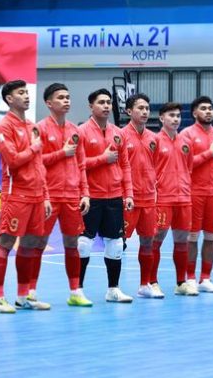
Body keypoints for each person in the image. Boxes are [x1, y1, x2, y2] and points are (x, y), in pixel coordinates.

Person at [0, 80, 53, 313]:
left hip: (37, 196)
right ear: (9, 98)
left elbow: (40, 167)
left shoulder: (32, 126)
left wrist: (45, 196)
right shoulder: (3, 127)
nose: (26, 96)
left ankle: (23, 296)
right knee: (5, 244)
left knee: (29, 245)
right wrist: (35, 147)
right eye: (21, 93)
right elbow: (14, 161)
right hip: (15, 195)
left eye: (27, 92)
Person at [36, 83, 93, 307]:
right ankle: (29, 291)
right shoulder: (39, 129)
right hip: (49, 196)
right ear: (49, 103)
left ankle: (75, 291)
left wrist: (85, 194)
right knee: (38, 244)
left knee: (73, 244)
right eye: (61, 97)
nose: (67, 101)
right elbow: (36, 163)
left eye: (68, 97)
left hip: (71, 197)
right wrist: (61, 153)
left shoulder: (75, 130)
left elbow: (81, 165)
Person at [78, 88, 134, 303]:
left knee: (116, 244)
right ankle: (78, 290)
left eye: (109, 102)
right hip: (91, 197)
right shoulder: (81, 132)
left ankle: (113, 289)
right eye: (101, 102)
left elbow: (125, 165)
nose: (106, 106)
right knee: (84, 243)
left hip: (114, 197)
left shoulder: (118, 133)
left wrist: (128, 193)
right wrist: (102, 158)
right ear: (91, 106)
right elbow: (78, 165)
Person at [181, 96, 213, 293]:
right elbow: (185, 165)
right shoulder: (186, 135)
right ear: (195, 113)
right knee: (192, 237)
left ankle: (205, 278)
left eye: (210, 108)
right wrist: (209, 154)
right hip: (194, 193)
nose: (208, 112)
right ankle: (191, 277)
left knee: (212, 238)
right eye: (203, 108)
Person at [121, 93, 162, 299]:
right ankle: (114, 287)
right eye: (140, 108)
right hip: (127, 200)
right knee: (119, 243)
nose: (145, 112)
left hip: (149, 200)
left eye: (147, 108)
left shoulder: (154, 139)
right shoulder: (120, 136)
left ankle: (145, 284)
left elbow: (155, 167)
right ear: (129, 111)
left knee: (148, 242)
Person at [154, 103, 195, 295]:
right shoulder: (154, 141)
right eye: (171, 115)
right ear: (162, 118)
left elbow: (189, 169)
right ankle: (151, 282)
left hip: (184, 199)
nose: (176, 119)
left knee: (182, 241)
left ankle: (181, 283)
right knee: (155, 240)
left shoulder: (186, 143)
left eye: (178, 115)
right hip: (163, 198)